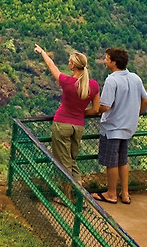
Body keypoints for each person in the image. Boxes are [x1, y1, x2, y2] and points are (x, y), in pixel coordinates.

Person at [33, 45, 100, 184]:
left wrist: (42, 52)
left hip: (62, 124)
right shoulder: (93, 86)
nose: (68, 63)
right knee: (71, 160)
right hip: (78, 126)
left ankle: (67, 197)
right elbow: (95, 109)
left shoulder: (68, 82)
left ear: (73, 65)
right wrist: (80, 112)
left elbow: (51, 65)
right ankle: (79, 191)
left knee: (63, 163)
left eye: (70, 61)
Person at [95, 47, 147, 205]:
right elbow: (146, 100)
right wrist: (135, 114)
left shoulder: (112, 80)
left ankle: (111, 193)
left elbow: (105, 106)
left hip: (112, 128)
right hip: (128, 127)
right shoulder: (135, 78)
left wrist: (94, 110)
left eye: (106, 58)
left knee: (111, 162)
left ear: (113, 62)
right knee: (122, 161)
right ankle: (125, 194)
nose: (104, 61)